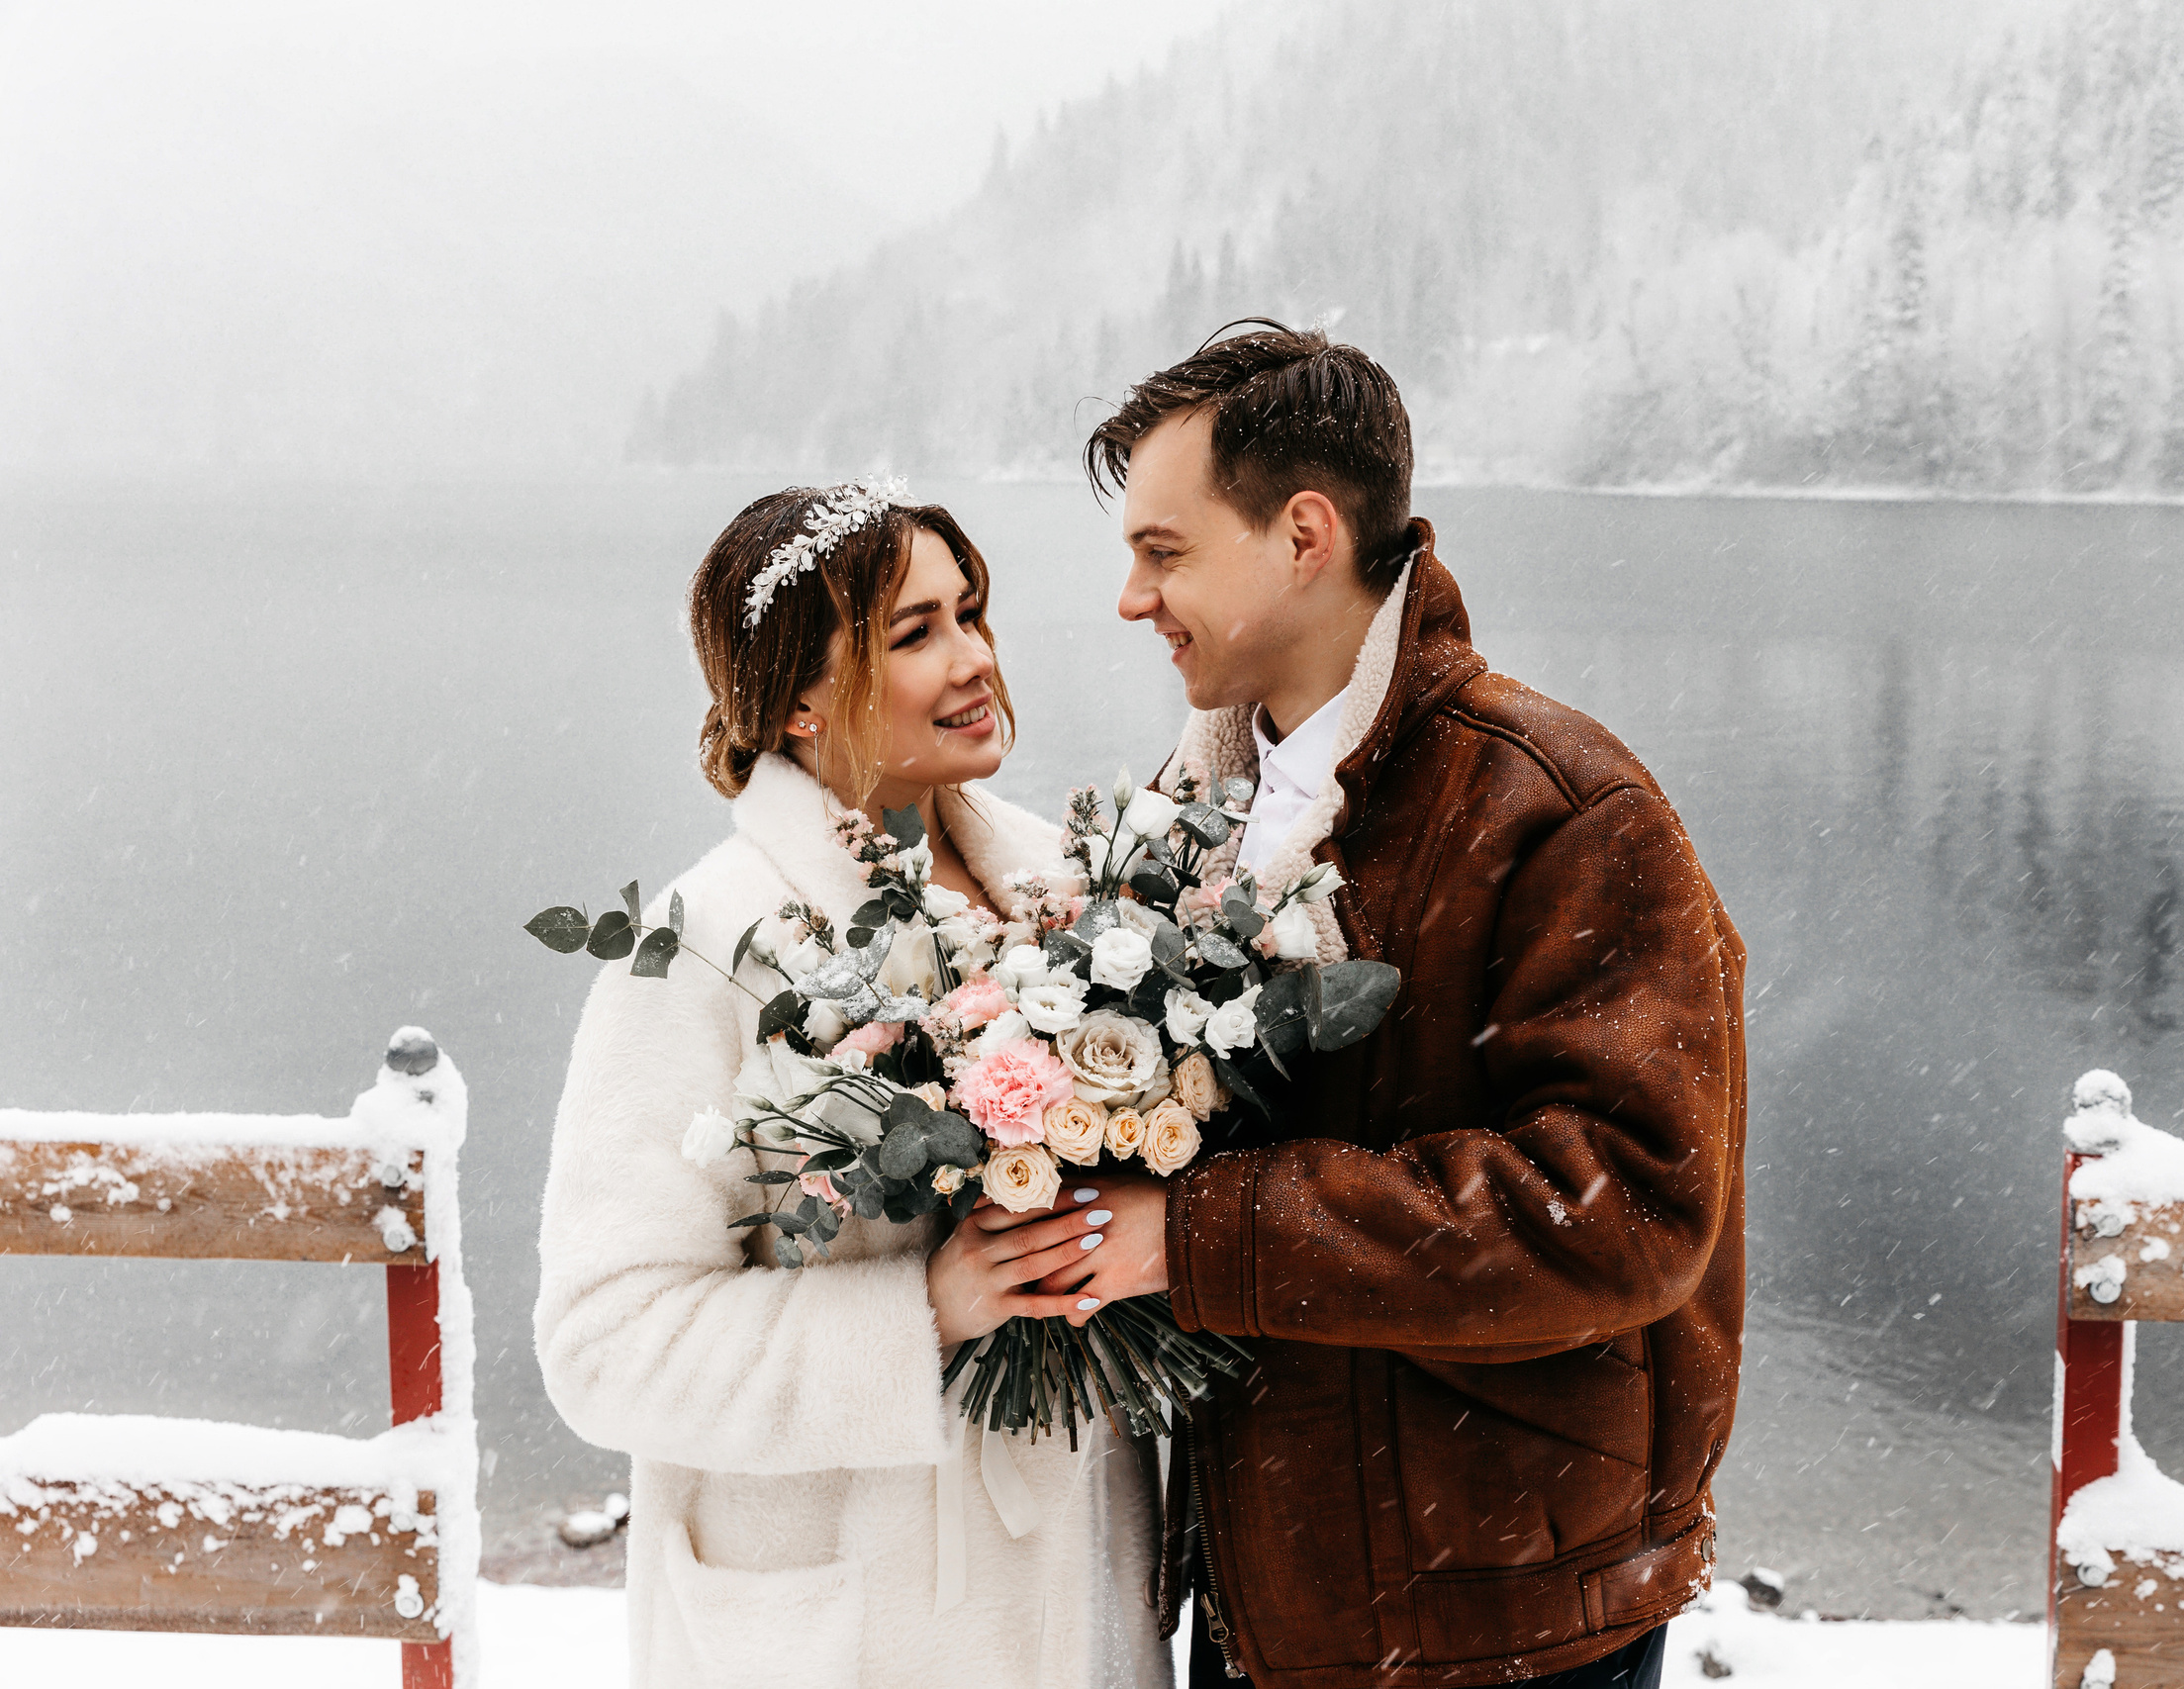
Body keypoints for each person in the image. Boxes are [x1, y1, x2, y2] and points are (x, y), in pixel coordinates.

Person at [1053, 323, 1749, 1687]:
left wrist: (1195, 1238)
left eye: (1164, 550)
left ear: (1304, 533)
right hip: (1271, 1591)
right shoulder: (1194, 805)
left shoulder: (1560, 805)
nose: (1133, 597)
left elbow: (1624, 1210)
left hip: (1501, 1622)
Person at [533, 485, 1172, 1689]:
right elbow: (602, 1343)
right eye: (914, 633)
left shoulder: (1080, 897)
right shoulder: (703, 947)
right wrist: (924, 1312)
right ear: (794, 702)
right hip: (844, 1634)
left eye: (970, 612)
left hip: (1076, 1594)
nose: (975, 657)